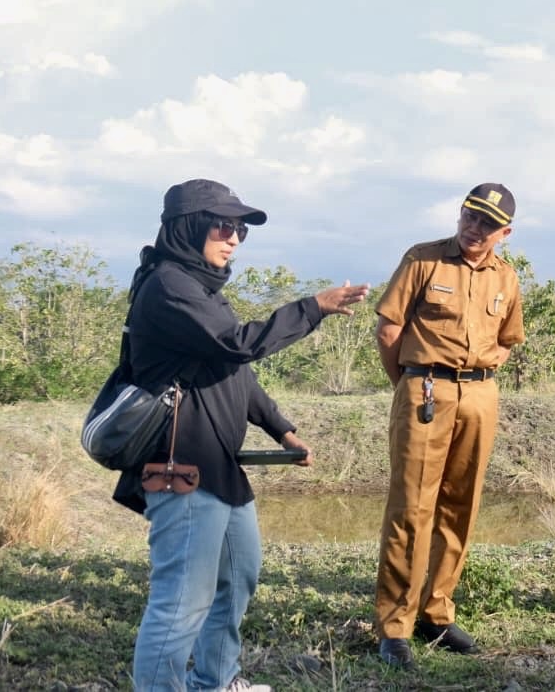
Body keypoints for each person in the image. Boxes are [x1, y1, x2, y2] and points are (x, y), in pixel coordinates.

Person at [121, 178, 370, 692]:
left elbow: (234, 371)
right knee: (181, 600)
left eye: (239, 229)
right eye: (222, 225)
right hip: (181, 468)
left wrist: (281, 428)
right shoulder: (170, 286)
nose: (233, 237)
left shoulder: (201, 291)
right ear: (188, 227)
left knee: (237, 578)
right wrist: (312, 308)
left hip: (219, 466)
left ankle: (215, 682)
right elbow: (239, 344)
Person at [372, 183, 525, 670]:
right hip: (425, 391)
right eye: (469, 216)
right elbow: (389, 330)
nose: (473, 228)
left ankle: (437, 612)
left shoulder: (507, 277)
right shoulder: (423, 260)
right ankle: (396, 625)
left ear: (506, 232)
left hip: (480, 395)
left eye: (486, 223)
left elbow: (508, 340)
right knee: (411, 508)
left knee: (460, 504)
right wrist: (410, 382)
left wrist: (480, 374)